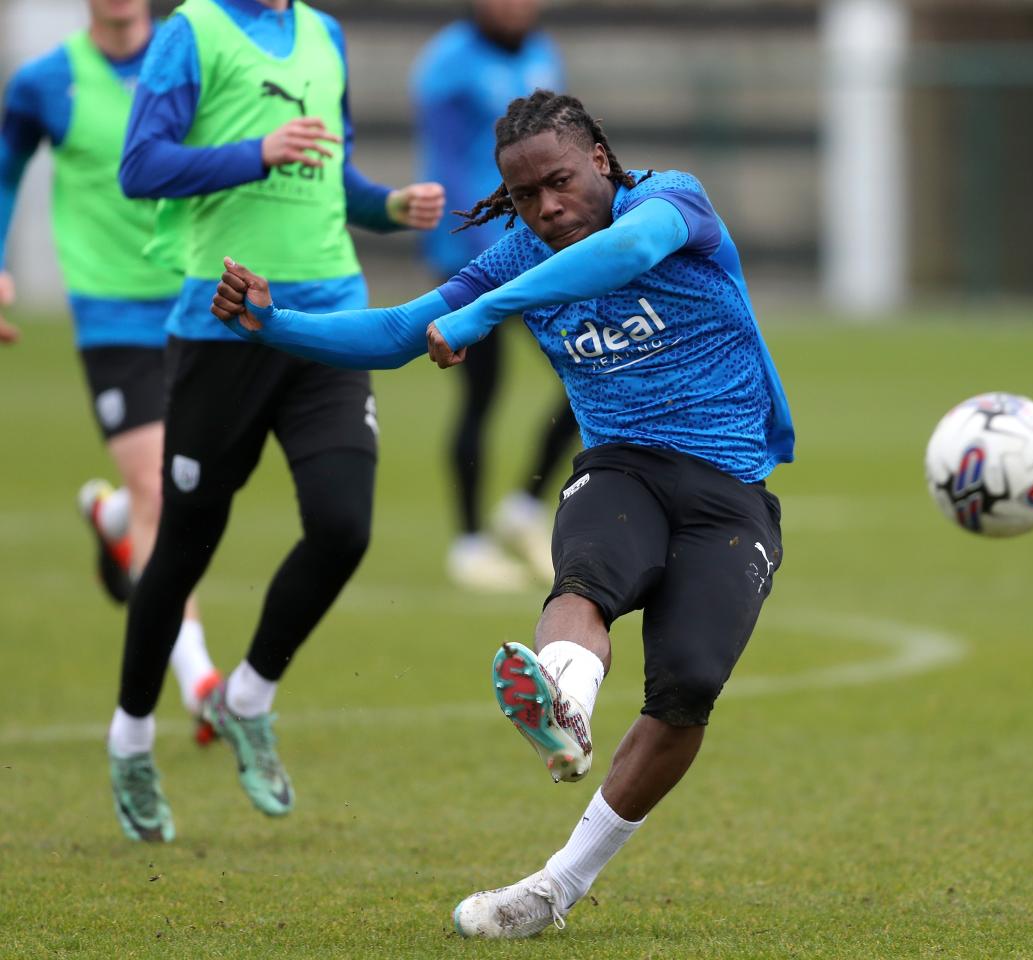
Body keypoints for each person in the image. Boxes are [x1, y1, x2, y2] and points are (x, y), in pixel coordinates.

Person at [211, 89, 793, 938]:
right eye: (524, 196)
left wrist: (485, 312)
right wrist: (272, 324)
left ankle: (554, 890)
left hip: (729, 488)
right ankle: (563, 707)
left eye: (557, 182)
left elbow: (627, 251)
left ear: (599, 157)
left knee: (689, 690)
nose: (546, 208)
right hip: (620, 465)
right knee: (588, 577)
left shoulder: (671, 202)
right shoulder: (518, 253)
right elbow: (404, 330)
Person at [105, 0, 445, 843]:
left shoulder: (325, 35)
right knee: (183, 545)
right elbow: (140, 166)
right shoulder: (193, 30)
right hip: (222, 324)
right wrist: (254, 151)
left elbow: (330, 174)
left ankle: (249, 695)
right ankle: (132, 741)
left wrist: (391, 206)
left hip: (328, 319)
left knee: (343, 525)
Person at [0, 0, 219, 740]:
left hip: (196, 300)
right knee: (162, 487)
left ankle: (112, 515)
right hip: (111, 316)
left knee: (189, 483)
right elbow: (6, 171)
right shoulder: (45, 83)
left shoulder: (193, 58)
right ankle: (200, 682)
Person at [411, 0, 576, 591]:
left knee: (588, 370)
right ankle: (469, 543)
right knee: (481, 395)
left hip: (537, 248)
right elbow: (448, 162)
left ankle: (524, 507)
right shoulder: (448, 62)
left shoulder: (542, 53)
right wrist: (478, 244)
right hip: (474, 257)